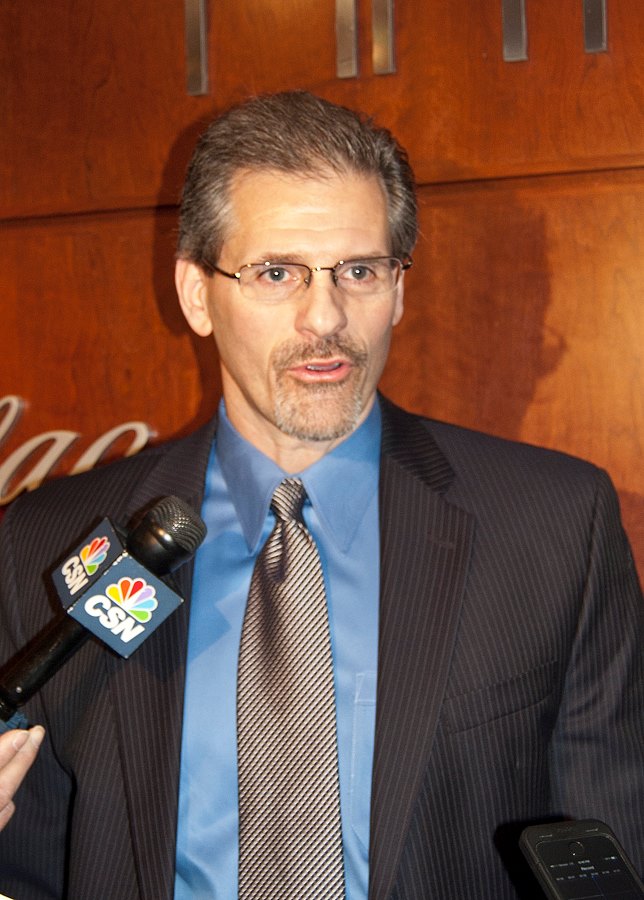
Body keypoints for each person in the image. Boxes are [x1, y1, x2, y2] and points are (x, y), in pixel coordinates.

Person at [0, 91, 642, 900]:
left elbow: (614, 846)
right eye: (277, 273)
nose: (325, 317)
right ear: (197, 294)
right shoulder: (47, 543)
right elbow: (31, 867)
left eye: (360, 271)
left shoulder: (555, 524)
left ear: (398, 290)